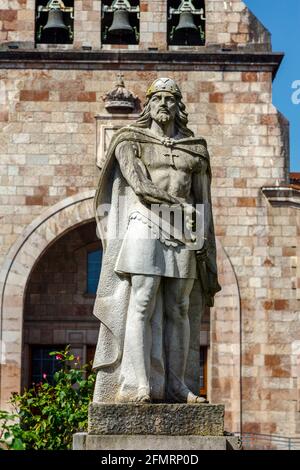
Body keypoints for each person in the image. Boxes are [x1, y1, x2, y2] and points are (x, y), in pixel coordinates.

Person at [92, 77, 221, 404]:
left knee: (179, 307)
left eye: (170, 98)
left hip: (184, 228)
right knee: (143, 301)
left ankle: (177, 384)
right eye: (157, 98)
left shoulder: (196, 150)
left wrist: (204, 239)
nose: (164, 103)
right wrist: (182, 207)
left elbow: (203, 201)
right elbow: (140, 186)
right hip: (145, 222)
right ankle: (138, 384)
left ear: (179, 106)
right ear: (147, 104)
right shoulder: (129, 139)